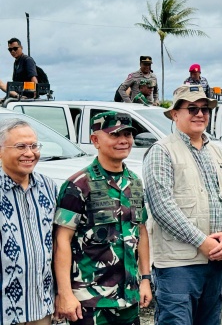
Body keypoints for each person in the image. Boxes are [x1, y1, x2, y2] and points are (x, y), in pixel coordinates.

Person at [143, 85, 222, 325]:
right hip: (178, 266)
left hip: (215, 261)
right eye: (192, 108)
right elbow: (162, 207)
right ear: (175, 114)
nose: (200, 114)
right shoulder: (162, 152)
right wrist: (203, 242)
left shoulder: (217, 151)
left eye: (205, 109)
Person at [53, 111, 152, 325]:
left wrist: (145, 279)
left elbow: (141, 232)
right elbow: (62, 240)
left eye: (128, 134)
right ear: (95, 140)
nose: (123, 141)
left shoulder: (134, 182)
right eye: (115, 135)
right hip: (90, 301)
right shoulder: (78, 185)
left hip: (128, 298)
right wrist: (65, 293)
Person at [0, 119, 58, 325]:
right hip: (4, 309)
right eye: (20, 146)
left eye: (34, 146)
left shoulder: (48, 187)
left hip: (41, 307)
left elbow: (59, 243)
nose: (30, 153)